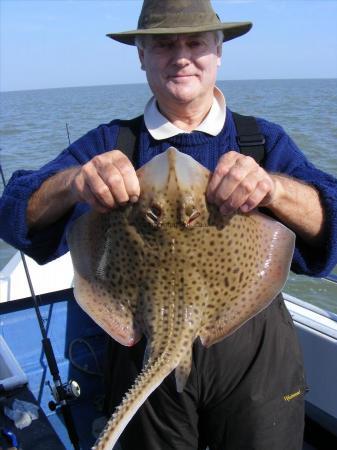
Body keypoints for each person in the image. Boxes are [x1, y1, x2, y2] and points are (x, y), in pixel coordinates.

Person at [1, 0, 337, 449]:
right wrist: (73, 183)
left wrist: (275, 189)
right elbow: (14, 214)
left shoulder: (261, 141)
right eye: (163, 45)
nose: (181, 56)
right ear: (141, 55)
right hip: (142, 341)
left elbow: (331, 224)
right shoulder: (112, 144)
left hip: (251, 350)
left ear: (218, 51)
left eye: (196, 42)